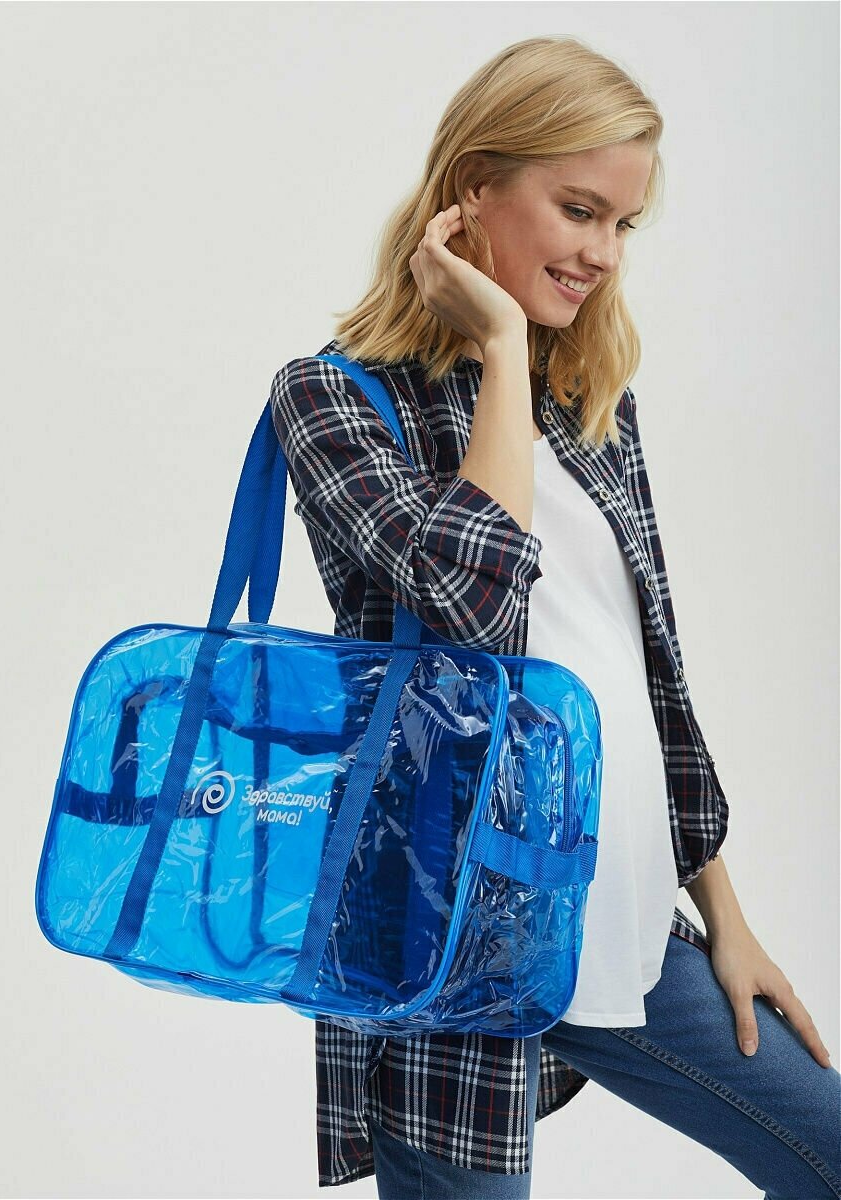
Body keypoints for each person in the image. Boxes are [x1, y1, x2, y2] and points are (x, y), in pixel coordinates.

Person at [268, 35, 841, 1200]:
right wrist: (496, 347)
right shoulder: (333, 398)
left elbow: (653, 681)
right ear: (473, 189)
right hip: (449, 941)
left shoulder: (590, 406)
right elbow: (475, 606)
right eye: (579, 210)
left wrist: (726, 918)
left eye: (622, 224)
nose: (602, 253)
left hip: (622, 918)